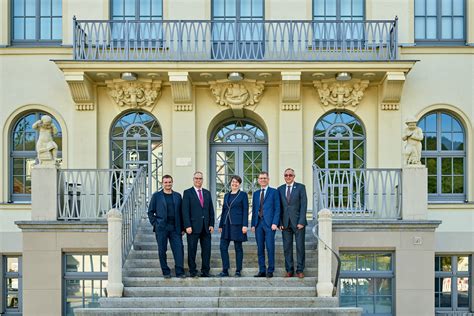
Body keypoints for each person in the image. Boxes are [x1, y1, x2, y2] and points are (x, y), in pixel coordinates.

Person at [147, 175, 185, 279]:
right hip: (162, 227)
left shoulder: (178, 196)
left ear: (172, 183)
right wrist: (155, 224)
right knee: (162, 250)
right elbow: (150, 212)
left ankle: (180, 272)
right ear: (162, 183)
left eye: (169, 182)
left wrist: (182, 227)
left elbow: (181, 213)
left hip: (175, 227)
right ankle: (166, 272)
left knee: (179, 249)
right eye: (166, 182)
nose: (168, 184)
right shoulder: (157, 196)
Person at [182, 171, 215, 277]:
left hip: (206, 227)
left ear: (202, 180)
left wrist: (211, 224)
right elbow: (185, 211)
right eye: (196, 178)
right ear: (193, 179)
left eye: (200, 178)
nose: (198, 180)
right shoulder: (187, 193)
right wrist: (187, 225)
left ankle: (205, 271)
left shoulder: (207, 193)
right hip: (193, 227)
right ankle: (192, 271)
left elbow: (210, 209)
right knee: (192, 250)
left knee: (207, 250)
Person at [278, 168, 308, 278]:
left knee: (300, 247)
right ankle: (289, 270)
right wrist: (280, 222)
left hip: (298, 223)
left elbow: (304, 205)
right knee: (287, 247)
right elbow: (279, 207)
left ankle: (300, 270)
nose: (288, 177)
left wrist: (301, 221)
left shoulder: (300, 187)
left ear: (294, 176)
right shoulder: (280, 189)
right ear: (284, 176)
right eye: (286, 175)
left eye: (290, 175)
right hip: (285, 223)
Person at [218, 175, 249, 277]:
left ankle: (238, 270)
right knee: (223, 247)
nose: (234, 184)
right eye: (233, 182)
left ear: (239, 184)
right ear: (230, 183)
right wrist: (220, 224)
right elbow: (224, 211)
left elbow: (245, 211)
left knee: (238, 248)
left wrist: (245, 225)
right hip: (226, 225)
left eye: (237, 182)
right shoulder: (226, 195)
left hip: (238, 225)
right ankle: (225, 270)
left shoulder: (243, 195)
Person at [251, 171, 280, 278]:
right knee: (260, 248)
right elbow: (254, 209)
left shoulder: (274, 192)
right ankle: (262, 270)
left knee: (270, 247)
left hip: (269, 224)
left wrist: (275, 223)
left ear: (268, 179)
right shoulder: (256, 194)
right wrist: (253, 224)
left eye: (264, 178)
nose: (263, 180)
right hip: (258, 224)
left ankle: (270, 270)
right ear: (258, 180)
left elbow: (277, 209)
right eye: (261, 178)